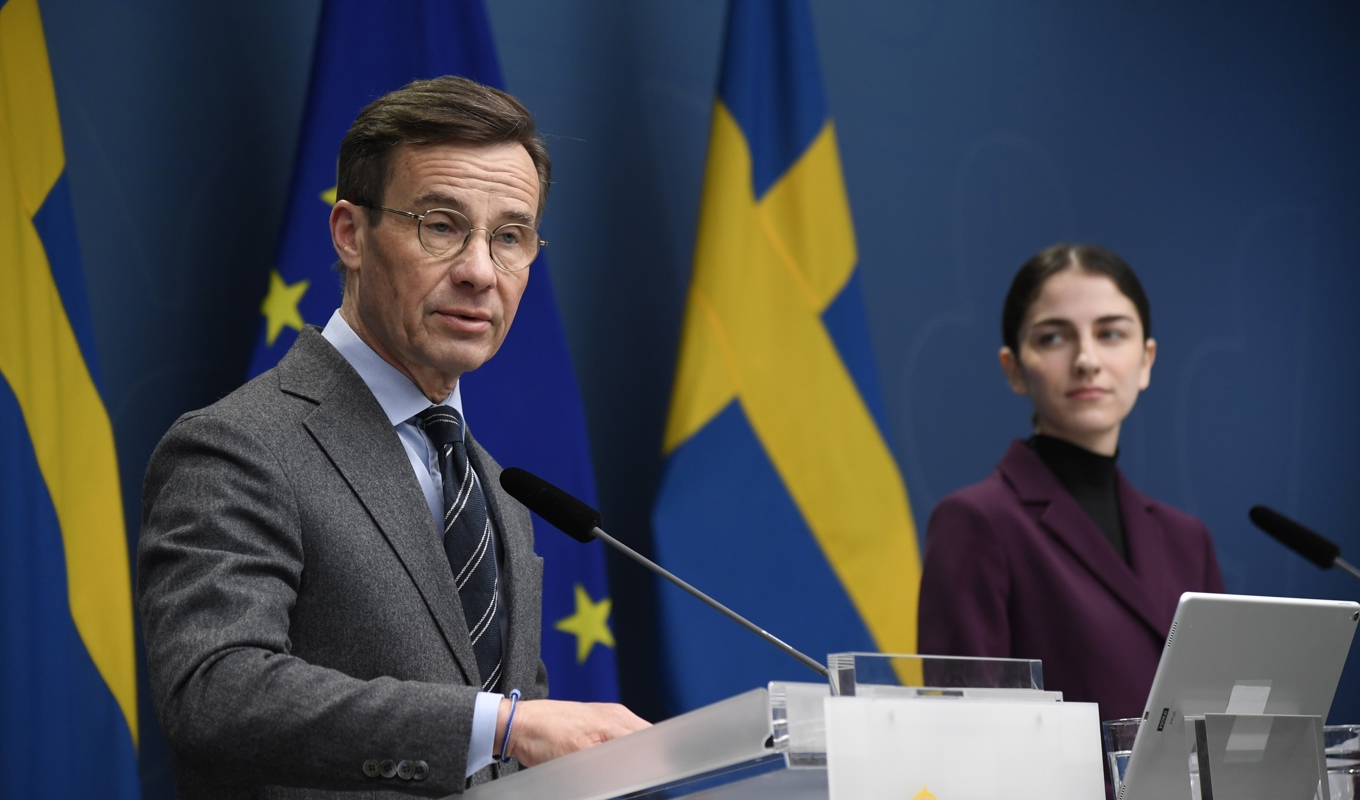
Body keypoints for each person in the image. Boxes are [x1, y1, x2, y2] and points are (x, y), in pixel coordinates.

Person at [138, 76, 648, 799]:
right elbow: (215, 691)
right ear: (350, 233)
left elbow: (510, 755)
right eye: (441, 226)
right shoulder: (237, 447)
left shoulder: (495, 492)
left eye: (510, 237)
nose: (479, 271)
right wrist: (502, 726)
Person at [917, 243, 1225, 727]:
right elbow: (967, 737)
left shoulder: (1188, 540)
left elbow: (1218, 724)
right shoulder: (976, 522)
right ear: (1014, 369)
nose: (1087, 359)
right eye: (1054, 338)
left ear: (1146, 360)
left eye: (1110, 334)